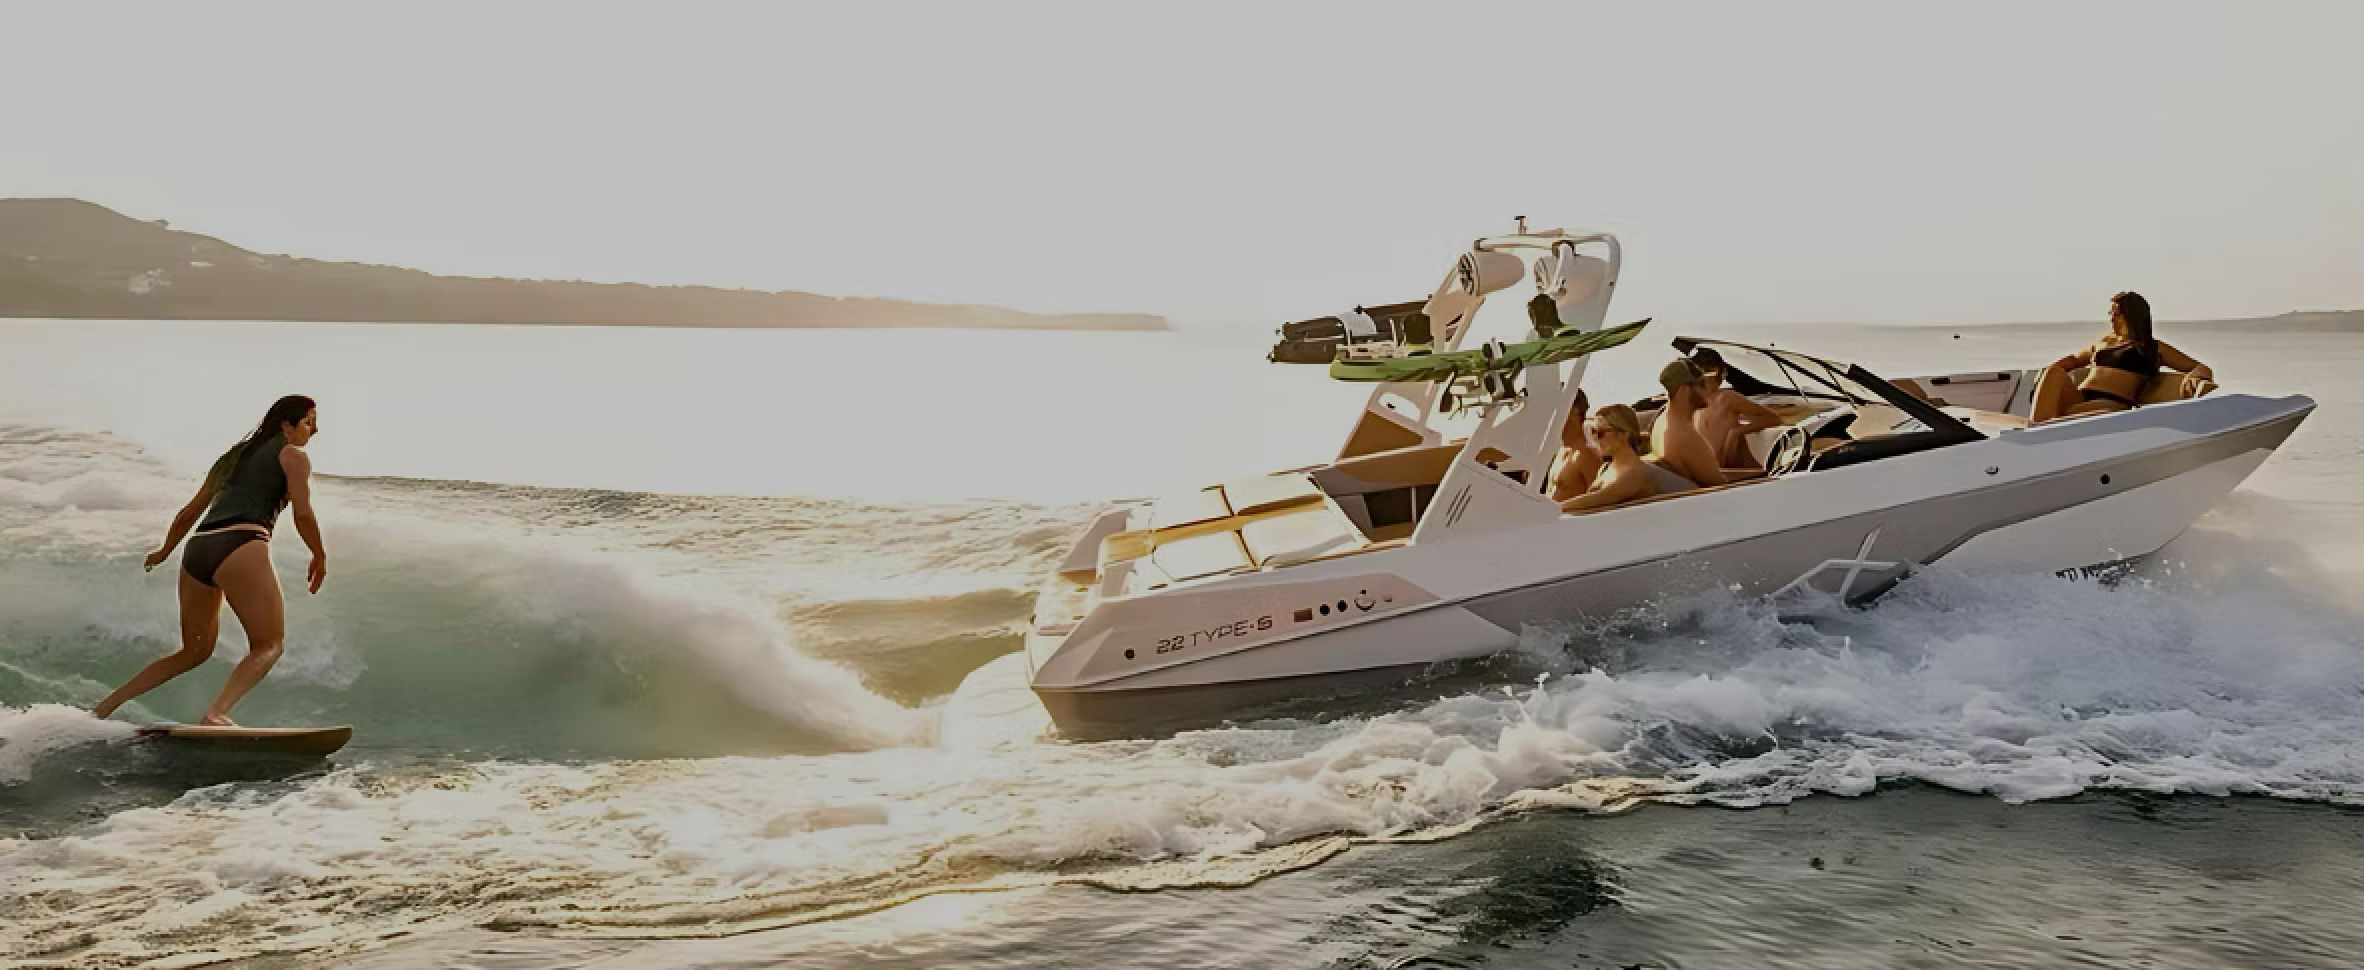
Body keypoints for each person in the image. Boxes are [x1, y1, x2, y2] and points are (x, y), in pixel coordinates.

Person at [93, 395, 328, 725]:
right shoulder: (293, 456)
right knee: (268, 644)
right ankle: (215, 713)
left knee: (193, 652)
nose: (315, 430)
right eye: (308, 421)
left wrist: (164, 551)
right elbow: (302, 513)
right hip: (242, 542)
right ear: (285, 425)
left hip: (198, 548)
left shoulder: (232, 457)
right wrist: (318, 552)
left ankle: (102, 708)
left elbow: (190, 511)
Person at [2030, 291, 2213, 422]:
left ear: (2132, 316)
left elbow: (2199, 367)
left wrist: (2196, 377)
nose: (2111, 319)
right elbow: (2074, 359)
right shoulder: (2104, 342)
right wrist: (2044, 373)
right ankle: (2036, 430)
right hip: (2079, 397)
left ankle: (2040, 433)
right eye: (2111, 314)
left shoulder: (2152, 347)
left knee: (2072, 413)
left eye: (2116, 314)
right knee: (2054, 371)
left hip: (2111, 403)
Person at [1688, 347, 1783, 470]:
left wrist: (1737, 432)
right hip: (1712, 472)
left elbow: (1774, 418)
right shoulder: (1694, 403)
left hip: (1733, 472)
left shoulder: (1727, 398)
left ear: (1716, 371)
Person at [1560, 404, 1660, 513]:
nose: (1596, 438)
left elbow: (1600, 498)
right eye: (1593, 432)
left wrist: (1555, 508)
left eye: (1601, 433)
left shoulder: (1634, 473)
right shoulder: (1607, 467)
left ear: (1623, 434)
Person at [1647, 358, 1725, 489]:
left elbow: (1705, 473)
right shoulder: (1686, 437)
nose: (1708, 389)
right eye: (1701, 384)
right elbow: (1722, 487)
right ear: (1684, 389)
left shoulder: (1661, 423)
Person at [1548, 390, 1601, 502]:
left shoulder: (1587, 454)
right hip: (1551, 516)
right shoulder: (1561, 450)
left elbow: (1600, 498)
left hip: (1570, 517)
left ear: (1574, 411)